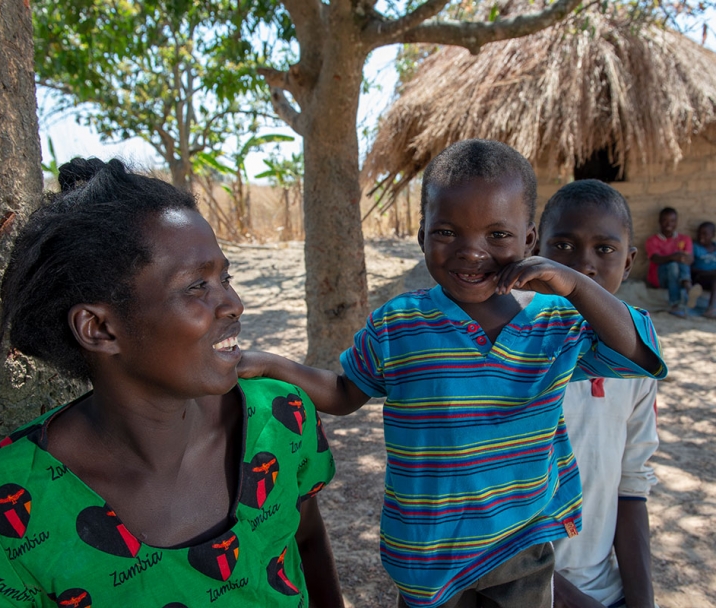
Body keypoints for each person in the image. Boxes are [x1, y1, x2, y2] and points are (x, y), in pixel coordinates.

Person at [240, 140, 666, 608]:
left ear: (529, 241)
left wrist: (575, 285)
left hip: (521, 547)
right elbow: (343, 393)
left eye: (497, 235)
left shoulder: (556, 325)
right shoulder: (397, 325)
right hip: (427, 558)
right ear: (422, 236)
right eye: (447, 232)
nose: (471, 251)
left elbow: (640, 354)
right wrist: (275, 365)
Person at [0, 158, 343, 607]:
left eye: (225, 278)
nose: (233, 303)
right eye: (197, 286)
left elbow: (306, 539)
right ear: (99, 328)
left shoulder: (281, 419)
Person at [538, 180, 658, 608]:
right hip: (516, 588)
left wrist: (642, 601)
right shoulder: (510, 354)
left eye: (604, 250)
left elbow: (630, 487)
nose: (581, 267)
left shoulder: (638, 363)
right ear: (534, 249)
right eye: (564, 246)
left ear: (628, 263)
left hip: (601, 586)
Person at [644, 207, 701, 316]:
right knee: (673, 265)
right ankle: (681, 297)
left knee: (680, 261)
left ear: (676, 222)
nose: (668, 224)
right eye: (665, 220)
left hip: (678, 276)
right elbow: (655, 258)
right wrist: (673, 257)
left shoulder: (684, 239)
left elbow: (689, 260)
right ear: (659, 221)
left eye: (672, 220)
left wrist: (679, 257)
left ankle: (686, 286)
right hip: (660, 278)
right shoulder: (652, 240)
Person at [692, 221, 716, 319]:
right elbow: (689, 267)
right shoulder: (695, 247)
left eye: (705, 234)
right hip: (699, 276)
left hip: (712, 278)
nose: (701, 236)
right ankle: (711, 309)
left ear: (713, 235)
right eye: (699, 233)